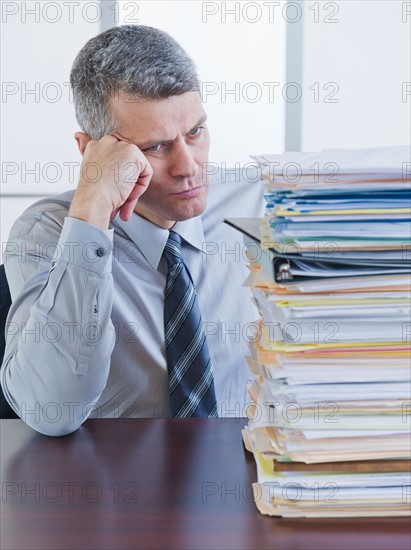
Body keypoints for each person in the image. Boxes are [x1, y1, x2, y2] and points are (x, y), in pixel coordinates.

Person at [1, 25, 265, 436]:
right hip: (118, 491)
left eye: (195, 132)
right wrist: (90, 212)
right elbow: (51, 411)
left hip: (250, 481)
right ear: (91, 150)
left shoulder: (266, 205)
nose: (188, 166)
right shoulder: (47, 233)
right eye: (155, 147)